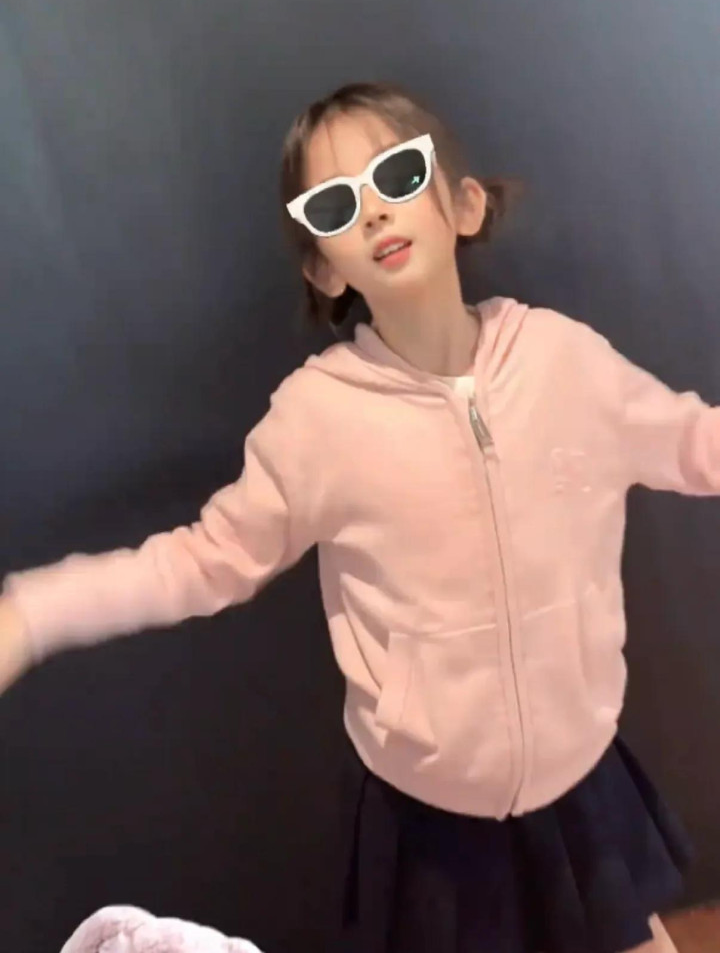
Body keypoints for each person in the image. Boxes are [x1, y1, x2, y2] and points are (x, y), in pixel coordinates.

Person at [1, 79, 715, 953]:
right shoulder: (318, 420)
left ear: (463, 204)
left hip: (580, 778)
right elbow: (199, 562)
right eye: (337, 204)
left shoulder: (564, 360)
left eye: (398, 174)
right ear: (323, 267)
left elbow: (693, 443)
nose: (374, 210)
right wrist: (30, 614)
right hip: (436, 820)